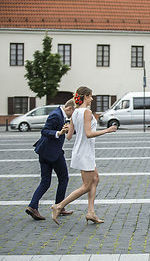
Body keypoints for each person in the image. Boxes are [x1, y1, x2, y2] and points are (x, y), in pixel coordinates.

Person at [51, 86, 117, 225]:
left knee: (95, 179)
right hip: (85, 152)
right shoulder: (86, 112)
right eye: (91, 96)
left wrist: (67, 128)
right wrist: (108, 130)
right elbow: (88, 134)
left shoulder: (75, 112)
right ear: (85, 96)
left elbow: (69, 136)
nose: (92, 99)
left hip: (82, 151)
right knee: (86, 185)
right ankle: (59, 205)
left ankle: (91, 212)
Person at [25, 99, 75, 220]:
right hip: (52, 153)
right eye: (73, 112)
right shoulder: (56, 115)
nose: (73, 115)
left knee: (45, 181)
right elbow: (45, 131)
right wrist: (59, 132)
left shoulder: (59, 114)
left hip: (44, 152)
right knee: (63, 178)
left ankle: (32, 206)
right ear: (69, 108)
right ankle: (59, 206)